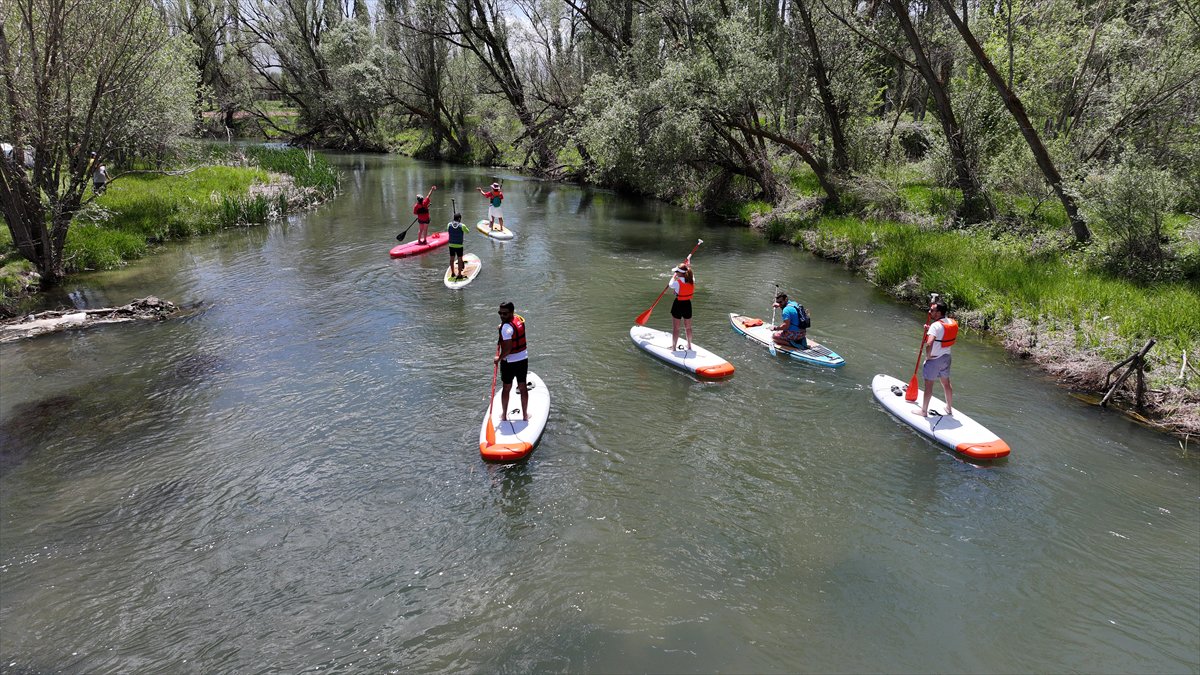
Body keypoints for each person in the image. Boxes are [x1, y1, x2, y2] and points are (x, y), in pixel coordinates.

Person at [913, 299, 957, 417]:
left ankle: (923, 411)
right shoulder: (950, 322)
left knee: (928, 386)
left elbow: (929, 343)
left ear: (938, 313)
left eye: (932, 310)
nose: (929, 311)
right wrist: (930, 330)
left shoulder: (935, 326)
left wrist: (928, 356)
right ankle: (949, 408)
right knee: (946, 383)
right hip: (946, 357)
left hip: (935, 359)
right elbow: (941, 333)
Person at [494, 302, 529, 421]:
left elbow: (508, 349)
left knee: (506, 387)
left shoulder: (506, 329)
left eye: (505, 313)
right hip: (523, 359)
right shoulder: (518, 319)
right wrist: (503, 325)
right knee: (522, 386)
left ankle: (504, 416)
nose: (502, 316)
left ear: (511, 312)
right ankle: (525, 415)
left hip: (509, 362)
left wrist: (498, 359)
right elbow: (512, 329)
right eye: (500, 313)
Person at [668, 261, 694, 352]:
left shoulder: (677, 283)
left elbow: (670, 284)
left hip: (678, 304)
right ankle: (689, 346)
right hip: (687, 304)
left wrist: (673, 277)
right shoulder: (692, 280)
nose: (675, 273)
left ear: (680, 273)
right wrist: (688, 266)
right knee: (688, 327)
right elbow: (690, 273)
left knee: (676, 328)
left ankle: (674, 348)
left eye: (676, 272)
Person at [447, 212, 469, 278]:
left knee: (451, 259)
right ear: (459, 218)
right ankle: (459, 274)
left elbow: (449, 231)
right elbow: (467, 231)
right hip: (459, 246)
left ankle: (453, 273)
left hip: (451, 245)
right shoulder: (462, 225)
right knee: (459, 259)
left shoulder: (449, 224)